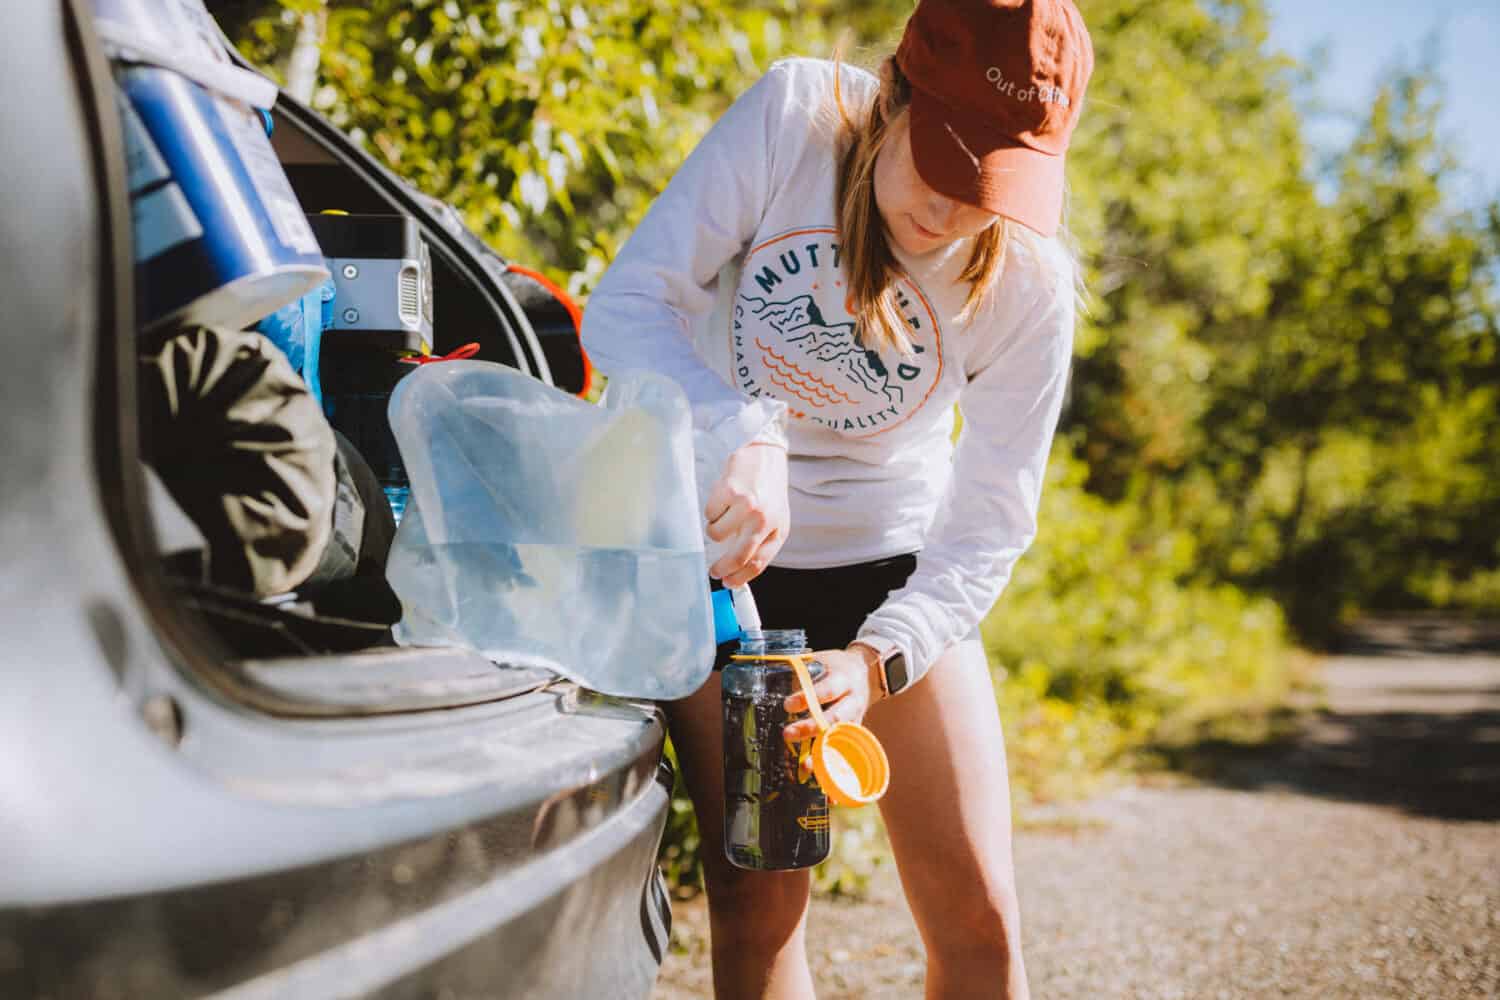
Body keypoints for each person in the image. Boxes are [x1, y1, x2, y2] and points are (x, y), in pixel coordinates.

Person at [580, 1, 1092, 996]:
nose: (953, 209)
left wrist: (877, 660)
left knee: (982, 917)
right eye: (945, 160)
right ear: (896, 91)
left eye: (992, 183)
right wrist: (741, 433)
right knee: (761, 905)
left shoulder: (1028, 281)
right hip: (723, 569)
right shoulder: (795, 118)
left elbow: (990, 522)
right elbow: (631, 303)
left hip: (889, 564)